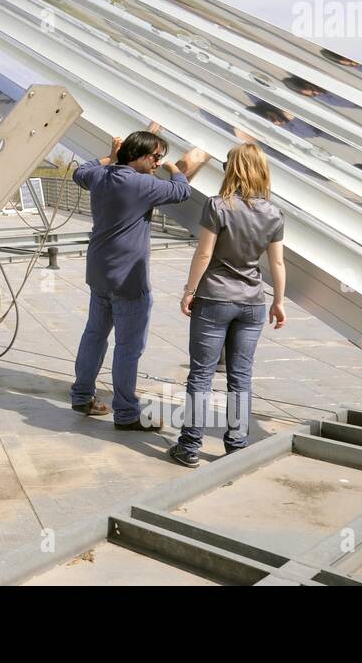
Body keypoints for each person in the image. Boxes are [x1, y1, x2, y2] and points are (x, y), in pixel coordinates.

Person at [70, 127, 210, 429]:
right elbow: (181, 190)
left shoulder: (101, 176)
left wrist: (111, 155)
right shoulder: (142, 185)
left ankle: (81, 395)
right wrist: (176, 167)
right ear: (140, 156)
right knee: (128, 348)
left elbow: (80, 172)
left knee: (94, 334)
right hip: (129, 281)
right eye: (157, 157)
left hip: (99, 273)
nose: (159, 163)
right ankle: (126, 413)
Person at [168, 142, 286, 467]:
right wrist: (278, 301)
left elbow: (204, 253)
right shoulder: (274, 213)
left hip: (215, 299)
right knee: (241, 376)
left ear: (232, 170)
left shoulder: (217, 206)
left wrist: (188, 290)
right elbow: (277, 264)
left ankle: (189, 447)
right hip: (252, 303)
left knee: (201, 375)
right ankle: (236, 446)